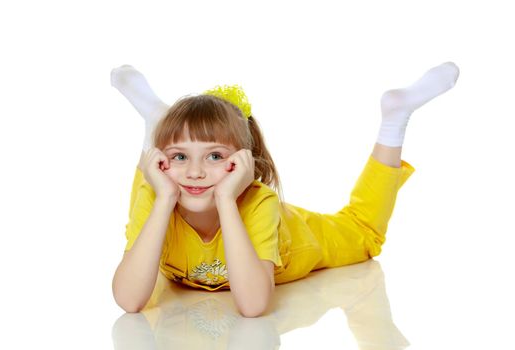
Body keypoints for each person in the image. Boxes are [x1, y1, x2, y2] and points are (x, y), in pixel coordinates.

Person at [110, 62, 460, 317]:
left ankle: (394, 121)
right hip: (162, 189)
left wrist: (227, 201)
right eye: (180, 155)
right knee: (155, 188)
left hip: (298, 239)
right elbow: (128, 300)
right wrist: (164, 199)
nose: (197, 172)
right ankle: (154, 128)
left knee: (363, 233)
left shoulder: (259, 203)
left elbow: (252, 305)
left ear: (244, 162)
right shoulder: (158, 192)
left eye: (215, 155)